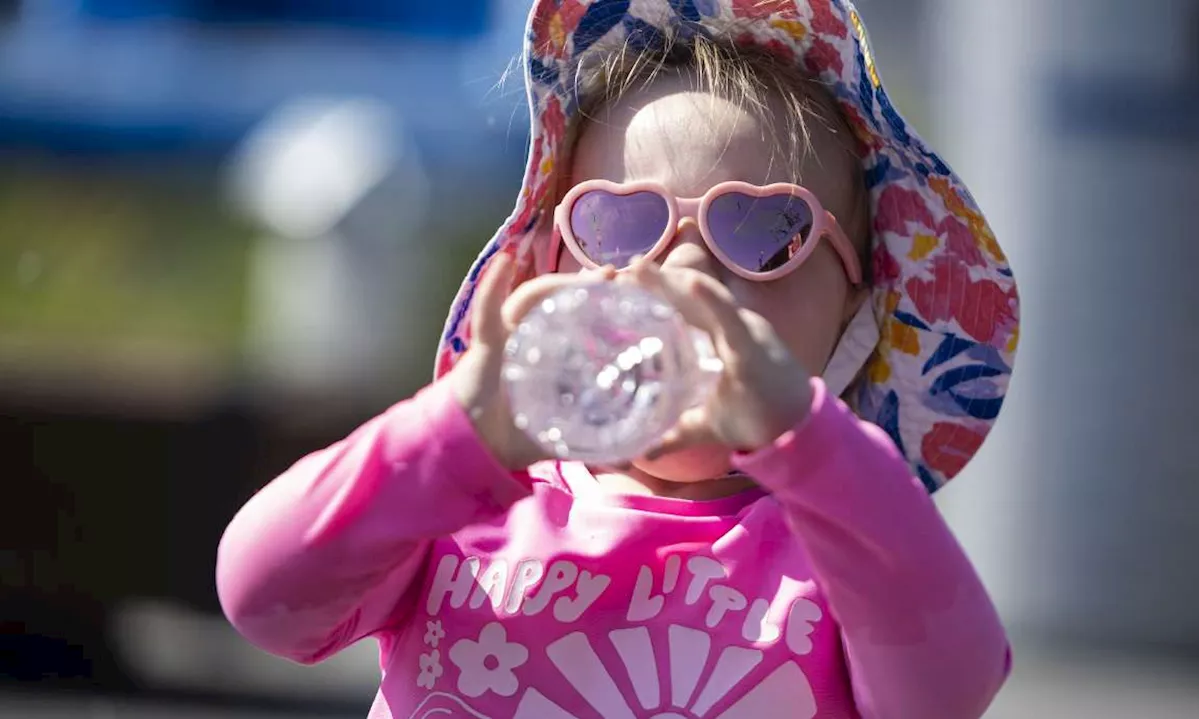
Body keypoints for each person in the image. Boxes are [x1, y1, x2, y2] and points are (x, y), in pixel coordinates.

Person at [216, 2, 1021, 717]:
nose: (683, 272)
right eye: (619, 225)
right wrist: (459, 432)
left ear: (856, 309)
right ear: (555, 269)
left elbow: (951, 690)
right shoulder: (459, 505)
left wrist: (811, 445)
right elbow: (266, 599)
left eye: (764, 231)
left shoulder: (849, 554)